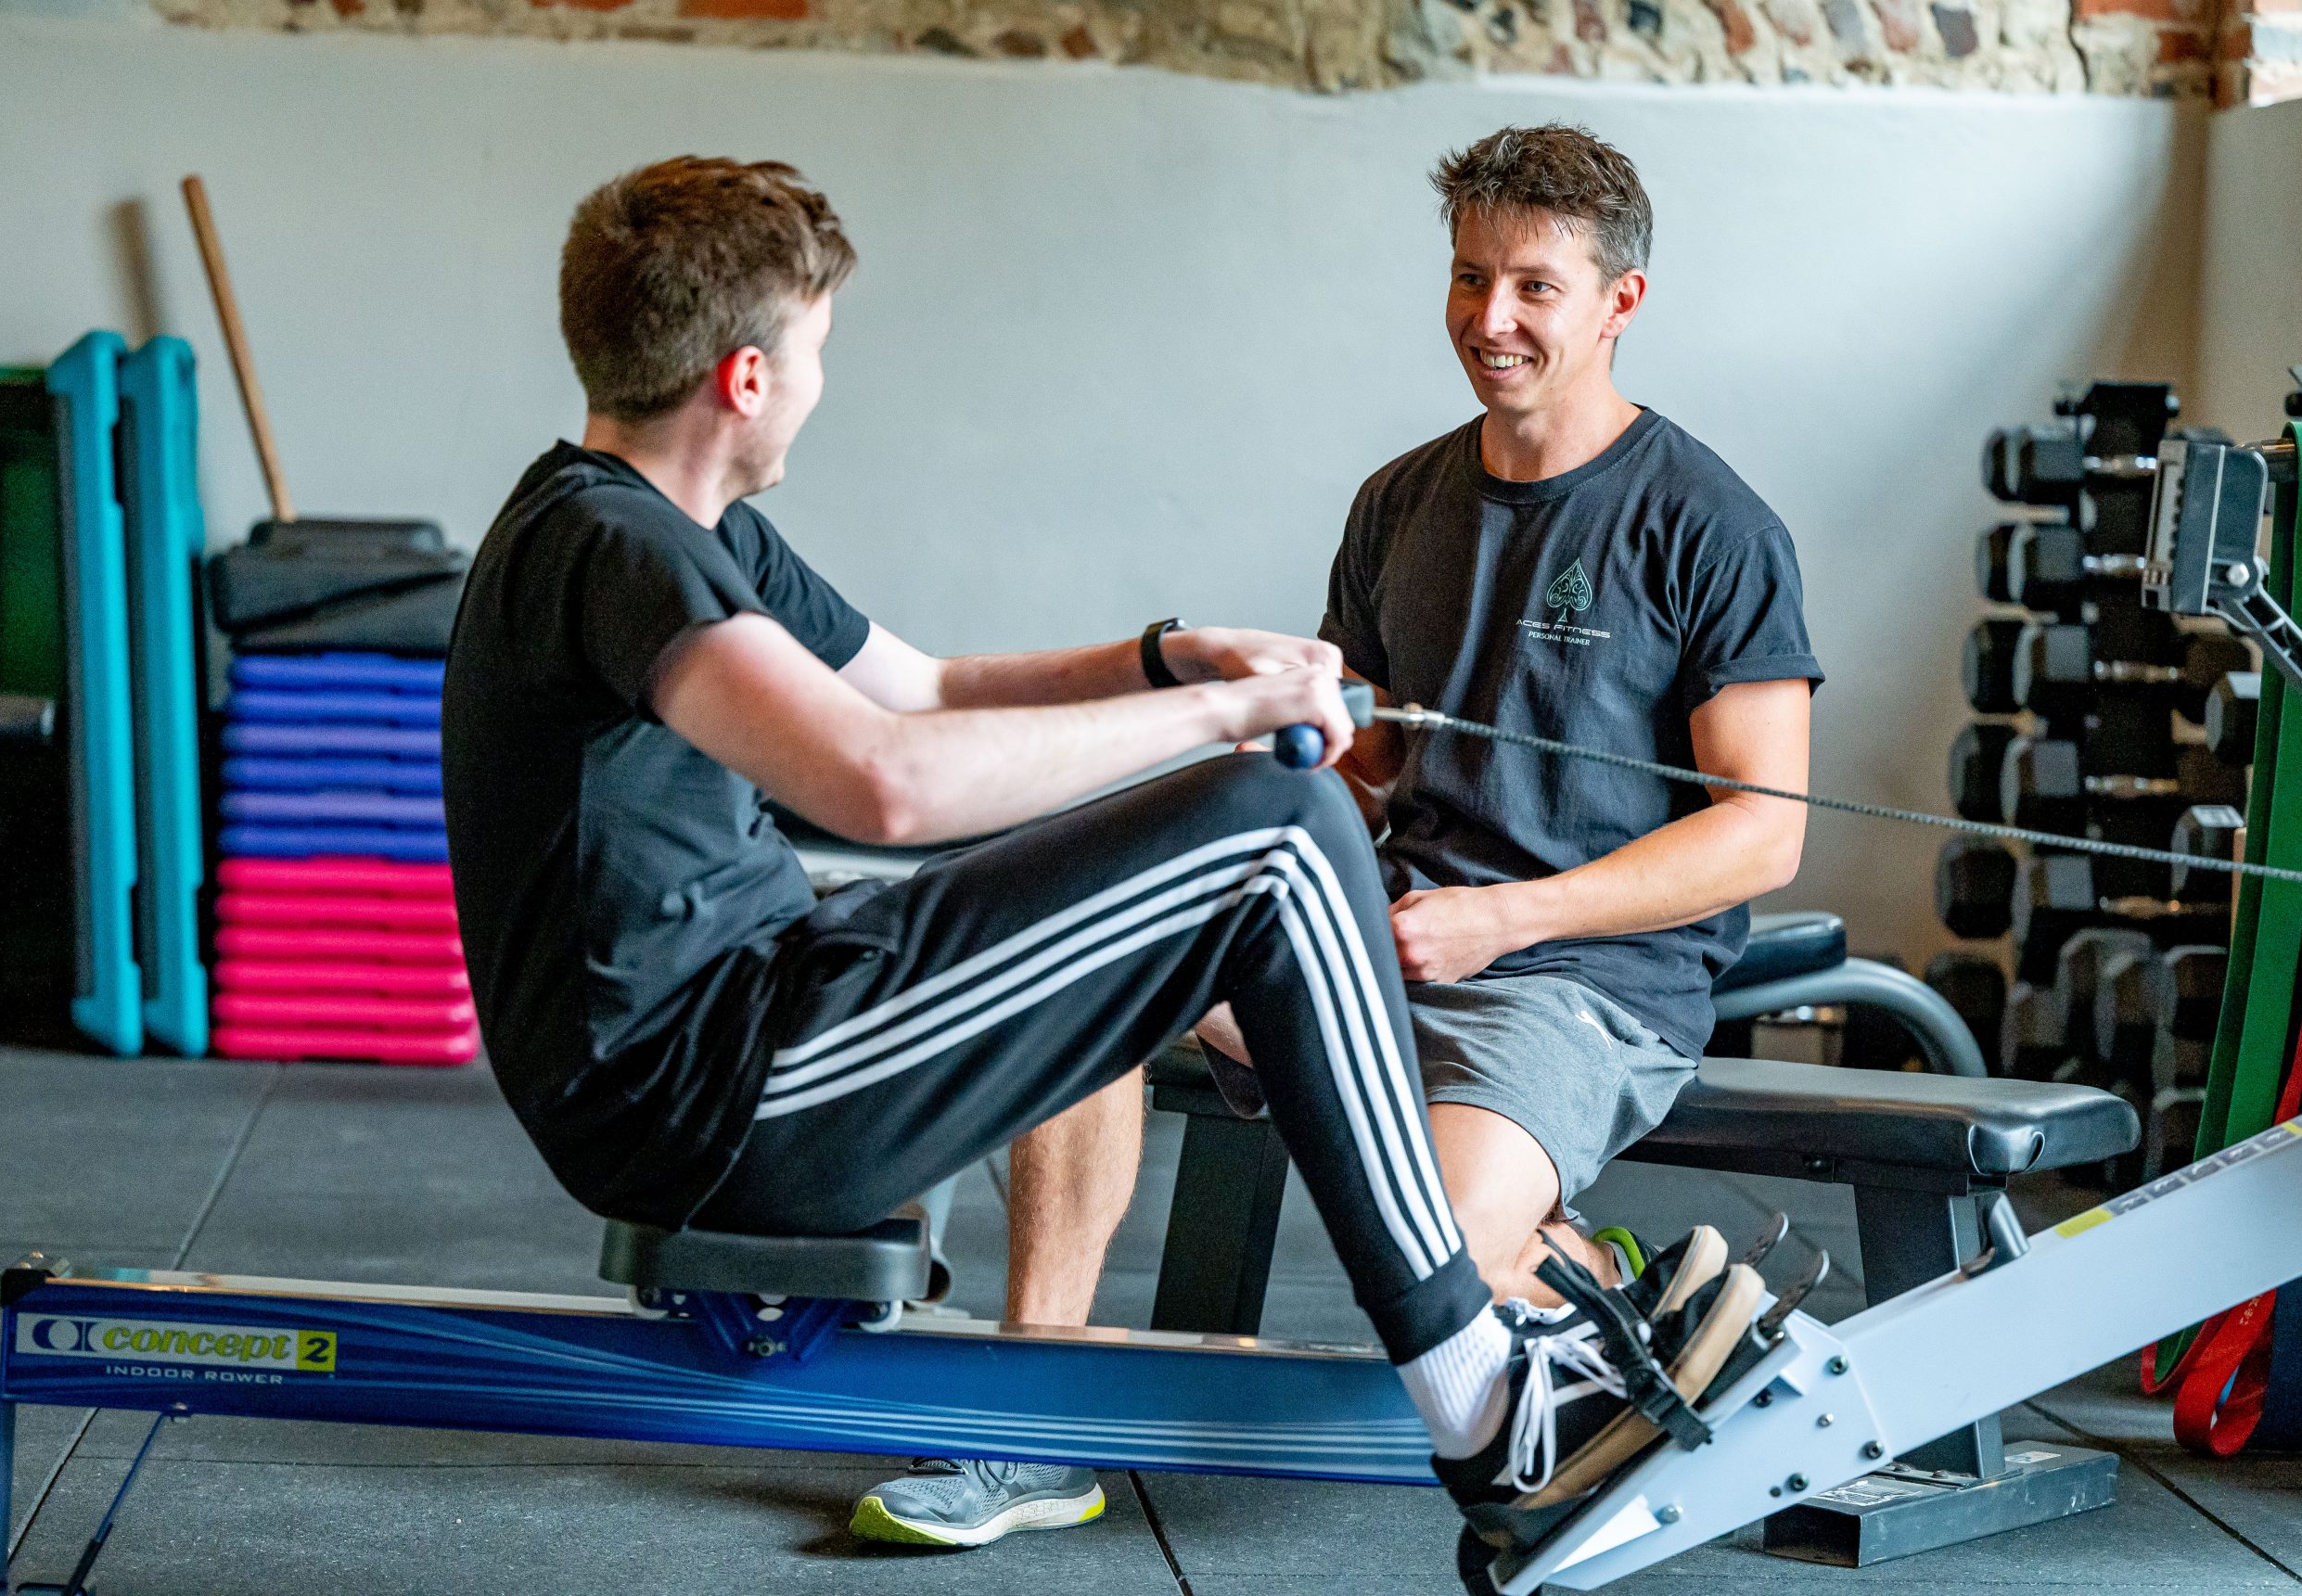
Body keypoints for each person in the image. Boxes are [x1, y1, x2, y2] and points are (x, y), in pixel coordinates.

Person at [441, 155, 1626, 1577]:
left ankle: (1486, 1319)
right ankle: (1483, 1393)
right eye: (815, 349)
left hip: (756, 1027)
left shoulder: (672, 528)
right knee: (1280, 832)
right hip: (714, 1096)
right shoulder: (611, 547)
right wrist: (1232, 718)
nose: (820, 381)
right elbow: (884, 781)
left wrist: (1174, 657)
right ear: (746, 379)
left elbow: (925, 687)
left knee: (1212, 843)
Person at [855, 121, 1822, 1549]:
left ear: (1622, 300)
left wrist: (1504, 917)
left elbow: (1762, 836)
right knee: (1091, 971)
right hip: (1375, 944)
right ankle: (1030, 1421)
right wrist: (1288, 766)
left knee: (1430, 1272)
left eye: (1535, 288)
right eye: (1470, 278)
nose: (1490, 319)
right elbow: (1366, 770)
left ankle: (1590, 1282)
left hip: (1577, 985)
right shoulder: (1400, 504)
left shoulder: (1711, 526)